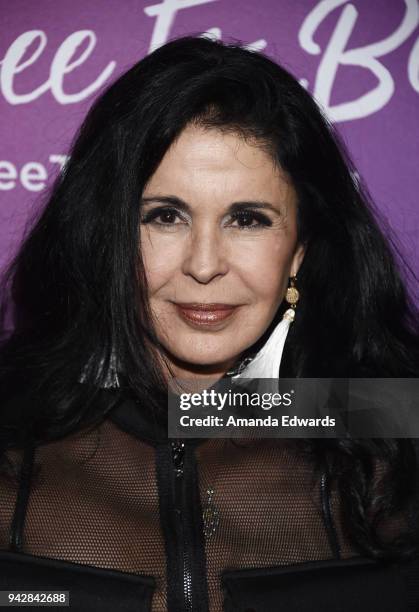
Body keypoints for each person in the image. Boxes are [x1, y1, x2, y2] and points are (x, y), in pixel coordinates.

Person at [0, 35, 418, 612]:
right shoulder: (13, 428)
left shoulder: (396, 434)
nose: (203, 265)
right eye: (165, 216)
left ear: (300, 250)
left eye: (247, 219)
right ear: (109, 235)